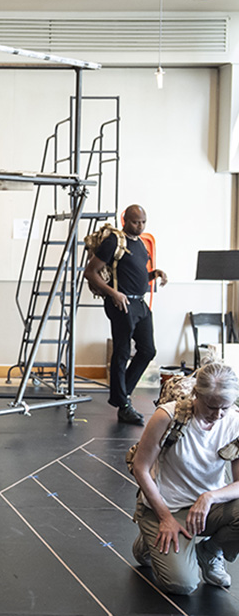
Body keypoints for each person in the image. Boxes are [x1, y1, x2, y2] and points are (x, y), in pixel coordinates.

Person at [130, 361, 239, 594]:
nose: (218, 415)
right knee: (182, 584)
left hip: (208, 509)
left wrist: (209, 497)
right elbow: (140, 468)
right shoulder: (167, 416)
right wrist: (165, 518)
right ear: (197, 395)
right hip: (168, 507)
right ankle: (147, 542)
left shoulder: (234, 421)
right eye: (211, 407)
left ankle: (210, 552)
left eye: (225, 407)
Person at [84, 204, 168, 426]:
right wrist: (114, 293)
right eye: (135, 222)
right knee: (121, 352)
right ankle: (123, 405)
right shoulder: (114, 241)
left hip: (139, 304)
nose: (140, 226)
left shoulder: (139, 244)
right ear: (125, 221)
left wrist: (154, 274)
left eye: (143, 222)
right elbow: (90, 272)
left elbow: (134, 275)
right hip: (121, 304)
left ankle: (122, 395)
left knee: (148, 350)